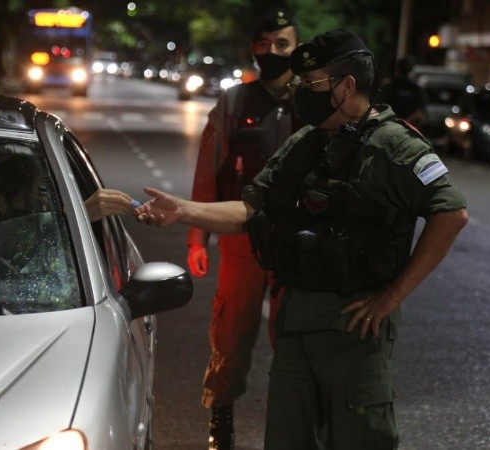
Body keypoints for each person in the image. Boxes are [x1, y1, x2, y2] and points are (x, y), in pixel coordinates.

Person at [135, 29, 468, 449]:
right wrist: (184, 211)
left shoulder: (394, 146)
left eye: (311, 83)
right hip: (295, 323)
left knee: (359, 440)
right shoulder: (305, 143)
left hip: (354, 330)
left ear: (346, 86)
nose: (301, 93)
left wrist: (390, 298)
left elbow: (451, 214)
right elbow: (251, 210)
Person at [187, 7, 304, 450]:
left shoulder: (313, 101)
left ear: (297, 48)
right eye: (264, 44)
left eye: (282, 44)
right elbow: (209, 172)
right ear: (253, 48)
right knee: (231, 334)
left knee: (292, 339)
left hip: (295, 241)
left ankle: (291, 427)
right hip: (240, 236)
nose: (272, 51)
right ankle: (221, 418)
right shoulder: (235, 102)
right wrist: (197, 238)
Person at [0, 155, 133, 261]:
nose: (44, 208)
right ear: (2, 201)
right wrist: (70, 217)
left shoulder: (56, 245)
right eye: (37, 197)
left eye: (47, 200)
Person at [381, 55, 426, 127]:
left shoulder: (415, 88)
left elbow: (420, 110)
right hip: (395, 124)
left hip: (400, 124)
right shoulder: (391, 86)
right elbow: (421, 110)